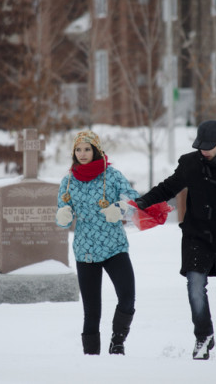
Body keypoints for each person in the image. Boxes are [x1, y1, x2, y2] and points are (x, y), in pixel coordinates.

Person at [134, 120, 216, 360]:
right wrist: (142, 203)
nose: (203, 150)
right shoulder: (191, 163)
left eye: (209, 146)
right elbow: (168, 188)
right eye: (200, 145)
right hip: (198, 237)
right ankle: (203, 336)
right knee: (195, 289)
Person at [56, 130, 140, 356]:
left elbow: (134, 199)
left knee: (127, 297)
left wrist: (121, 208)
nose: (82, 154)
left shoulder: (111, 175)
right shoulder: (68, 181)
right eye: (78, 149)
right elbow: (62, 213)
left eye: (87, 149)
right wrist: (63, 216)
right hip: (86, 250)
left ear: (96, 151)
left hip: (114, 246)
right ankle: (91, 358)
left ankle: (117, 342)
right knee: (92, 311)